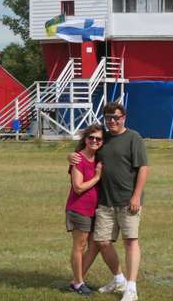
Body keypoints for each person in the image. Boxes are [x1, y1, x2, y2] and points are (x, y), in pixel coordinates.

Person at [69, 102, 149, 301]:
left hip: (128, 200)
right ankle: (118, 278)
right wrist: (71, 156)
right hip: (105, 202)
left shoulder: (134, 138)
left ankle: (131, 287)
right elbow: (85, 152)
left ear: (124, 118)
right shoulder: (102, 139)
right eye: (108, 118)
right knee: (103, 242)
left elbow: (143, 168)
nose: (112, 121)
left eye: (116, 117)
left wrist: (136, 196)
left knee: (131, 242)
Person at [64, 124, 104, 296]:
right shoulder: (79, 159)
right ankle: (79, 283)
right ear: (85, 139)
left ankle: (76, 280)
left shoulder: (99, 159)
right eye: (91, 138)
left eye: (98, 139)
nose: (94, 141)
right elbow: (78, 187)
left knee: (95, 245)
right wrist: (97, 177)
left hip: (96, 210)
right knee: (79, 246)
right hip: (79, 209)